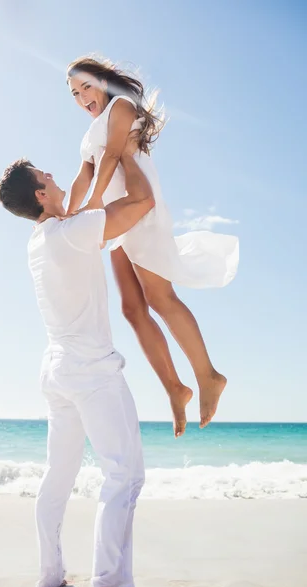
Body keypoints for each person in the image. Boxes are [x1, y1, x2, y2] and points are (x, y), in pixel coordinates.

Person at [0, 136, 152, 587]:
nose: (53, 175)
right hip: (91, 372)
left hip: (56, 370)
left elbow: (79, 201)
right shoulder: (73, 231)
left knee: (58, 475)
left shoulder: (40, 240)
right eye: (45, 175)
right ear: (41, 194)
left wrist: (91, 162)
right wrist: (122, 154)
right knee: (124, 476)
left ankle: (49, 574)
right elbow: (142, 201)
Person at [66, 56, 239, 437]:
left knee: (160, 297)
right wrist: (67, 214)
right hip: (114, 220)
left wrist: (95, 202)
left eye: (85, 87)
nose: (81, 98)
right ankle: (175, 389)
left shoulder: (121, 106)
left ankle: (208, 376)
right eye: (74, 94)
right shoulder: (89, 131)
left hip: (137, 208)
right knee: (132, 308)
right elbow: (83, 174)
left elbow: (113, 155)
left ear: (103, 81)